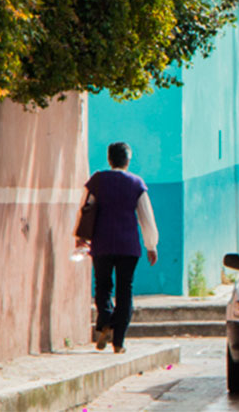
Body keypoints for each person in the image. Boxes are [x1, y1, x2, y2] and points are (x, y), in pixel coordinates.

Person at [82, 142, 158, 354]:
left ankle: (105, 320)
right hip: (128, 246)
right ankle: (119, 341)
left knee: (103, 286)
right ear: (127, 160)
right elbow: (145, 216)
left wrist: (82, 237)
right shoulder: (136, 183)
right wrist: (151, 245)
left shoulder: (98, 180)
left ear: (109, 159)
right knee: (125, 290)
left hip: (102, 243)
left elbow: (88, 209)